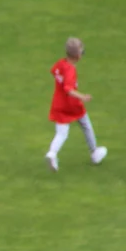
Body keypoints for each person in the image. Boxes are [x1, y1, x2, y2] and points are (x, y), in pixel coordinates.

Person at [45, 38, 107, 172]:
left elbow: (53, 71)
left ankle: (52, 153)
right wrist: (83, 96)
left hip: (58, 103)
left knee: (61, 133)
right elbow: (68, 89)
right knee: (86, 125)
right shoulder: (70, 70)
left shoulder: (61, 63)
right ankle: (94, 152)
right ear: (78, 56)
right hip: (72, 105)